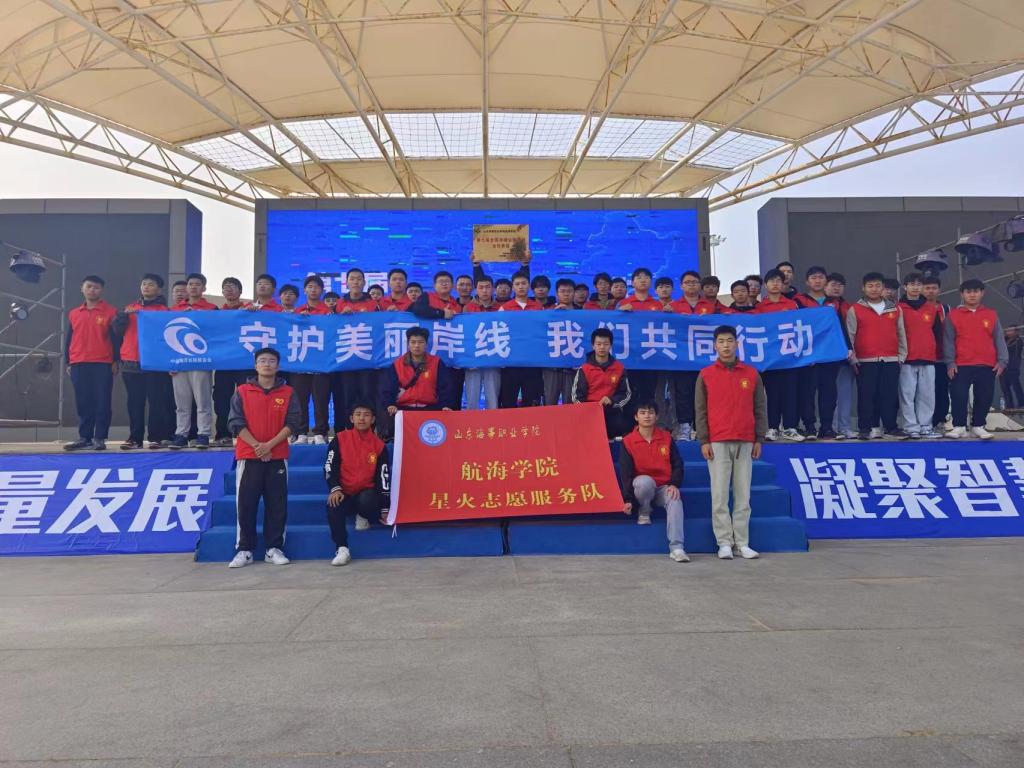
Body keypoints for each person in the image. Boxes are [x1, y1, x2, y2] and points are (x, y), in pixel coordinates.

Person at [695, 325, 767, 560]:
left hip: (745, 440)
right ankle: (724, 542)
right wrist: (704, 440)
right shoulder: (706, 374)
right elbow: (700, 411)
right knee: (719, 495)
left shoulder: (751, 374)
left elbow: (760, 408)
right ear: (715, 345)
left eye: (729, 341)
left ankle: (742, 542)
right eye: (721, 341)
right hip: (717, 440)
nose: (726, 345)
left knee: (743, 495)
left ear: (737, 344)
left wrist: (759, 438)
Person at [227, 347, 300, 568]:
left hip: (277, 456)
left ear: (278, 366)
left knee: (277, 504)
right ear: (255, 365)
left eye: (271, 361)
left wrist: (269, 445)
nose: (267, 364)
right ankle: (245, 549)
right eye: (262, 360)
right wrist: (257, 446)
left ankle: (273, 548)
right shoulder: (242, 391)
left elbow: (293, 423)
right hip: (248, 456)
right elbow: (235, 423)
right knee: (246, 504)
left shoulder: (288, 392)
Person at [619, 401, 688, 563]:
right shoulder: (628, 441)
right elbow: (626, 473)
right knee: (644, 482)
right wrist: (628, 499)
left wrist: (674, 484)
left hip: (663, 487)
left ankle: (677, 548)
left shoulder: (666, 438)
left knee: (675, 499)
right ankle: (644, 511)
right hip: (642, 488)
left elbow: (677, 464)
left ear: (657, 417)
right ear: (636, 417)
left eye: (650, 412)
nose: (647, 416)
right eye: (642, 413)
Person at [323, 401, 391, 565]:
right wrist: (335, 488)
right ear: (351, 418)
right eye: (358, 414)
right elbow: (329, 466)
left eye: (366, 415)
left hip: (366, 495)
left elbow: (383, 478)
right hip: (344, 493)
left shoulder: (379, 446)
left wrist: (385, 508)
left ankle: (363, 514)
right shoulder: (340, 439)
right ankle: (342, 548)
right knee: (333, 504)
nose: (362, 418)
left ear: (373, 419)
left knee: (368, 499)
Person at [113, 273, 171, 450]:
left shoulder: (164, 312)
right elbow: (117, 332)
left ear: (159, 289)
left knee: (156, 402)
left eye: (151, 284)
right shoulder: (130, 308)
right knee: (134, 402)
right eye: (144, 284)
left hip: (155, 363)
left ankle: (155, 437)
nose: (146, 287)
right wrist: (122, 317)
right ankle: (135, 438)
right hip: (131, 361)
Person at [944, 279, 1008, 439]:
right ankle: (959, 426)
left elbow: (999, 338)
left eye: (976, 291)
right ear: (962, 294)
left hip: (987, 364)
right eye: (968, 292)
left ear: (982, 293)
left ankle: (978, 426)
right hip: (961, 364)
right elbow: (948, 341)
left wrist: (1002, 361)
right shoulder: (953, 315)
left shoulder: (991, 314)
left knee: (984, 396)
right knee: (958, 395)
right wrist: (950, 362)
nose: (972, 295)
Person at [847, 271, 906, 440]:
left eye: (877, 286)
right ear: (863, 288)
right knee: (866, 395)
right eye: (870, 286)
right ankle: (865, 428)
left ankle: (891, 427)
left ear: (883, 288)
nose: (874, 289)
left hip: (891, 359)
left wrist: (901, 356)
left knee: (889, 395)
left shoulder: (895, 308)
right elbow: (850, 335)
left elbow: (901, 333)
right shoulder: (855, 309)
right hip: (865, 360)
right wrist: (853, 359)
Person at [63, 275, 118, 451]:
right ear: (82, 288)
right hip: (78, 362)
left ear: (101, 290)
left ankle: (100, 437)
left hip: (102, 363)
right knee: (83, 401)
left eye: (96, 287)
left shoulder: (110, 312)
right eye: (89, 286)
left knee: (102, 401)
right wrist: (68, 362)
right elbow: (69, 338)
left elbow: (116, 339)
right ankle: (85, 437)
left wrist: (116, 360)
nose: (92, 290)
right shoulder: (74, 313)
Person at [169, 272, 217, 450]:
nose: (193, 287)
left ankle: (203, 434)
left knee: (203, 401)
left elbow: (216, 333)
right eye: (190, 284)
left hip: (201, 361)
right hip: (179, 362)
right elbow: (166, 338)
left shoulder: (212, 309)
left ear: (204, 288)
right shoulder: (173, 310)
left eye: (197, 284)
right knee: (181, 403)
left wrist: (199, 316)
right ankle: (181, 434)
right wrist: (170, 363)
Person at [755, 269, 803, 441]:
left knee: (790, 393)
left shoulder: (792, 305)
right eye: (771, 281)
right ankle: (773, 427)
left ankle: (790, 427)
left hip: (789, 357)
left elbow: (800, 327)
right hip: (770, 359)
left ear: (783, 284)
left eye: (778, 281)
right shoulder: (759, 307)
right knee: (772, 394)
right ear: (765, 285)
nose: (775, 284)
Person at [793, 266, 838, 439]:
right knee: (807, 393)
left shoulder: (834, 302)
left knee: (829, 393)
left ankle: (827, 427)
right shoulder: (799, 301)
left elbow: (840, 327)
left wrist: (846, 349)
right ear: (807, 281)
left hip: (829, 355)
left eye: (821, 277)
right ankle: (810, 426)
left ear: (826, 280)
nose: (817, 281)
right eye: (813, 278)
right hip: (808, 356)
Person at [898, 272, 943, 439]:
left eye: (918, 284)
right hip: (906, 358)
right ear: (905, 287)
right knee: (907, 395)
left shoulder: (931, 308)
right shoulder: (898, 308)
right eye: (912, 284)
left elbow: (938, 333)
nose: (915, 287)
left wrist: (938, 354)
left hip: (928, 357)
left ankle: (925, 426)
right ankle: (910, 427)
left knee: (927, 395)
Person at [381, 327, 454, 429]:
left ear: (426, 344)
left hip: (429, 409)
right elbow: (387, 388)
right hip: (403, 409)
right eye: (413, 342)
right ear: (408, 344)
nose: (416, 345)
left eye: (420, 342)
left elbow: (446, 387)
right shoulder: (397, 364)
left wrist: (445, 405)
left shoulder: (436, 362)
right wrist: (390, 404)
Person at [290, 275, 333, 445]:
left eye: (316, 287)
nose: (313, 290)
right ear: (305, 290)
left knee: (321, 400)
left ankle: (320, 432)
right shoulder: (297, 312)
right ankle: (301, 432)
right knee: (300, 400)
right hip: (301, 363)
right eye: (310, 287)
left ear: (321, 290)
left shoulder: (329, 313)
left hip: (321, 365)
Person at [571, 327, 631, 438]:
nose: (602, 347)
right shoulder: (584, 369)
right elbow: (576, 398)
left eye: (605, 344)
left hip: (612, 412)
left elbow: (626, 394)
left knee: (617, 432)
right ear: (593, 346)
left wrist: (611, 401)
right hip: (589, 414)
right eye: (598, 344)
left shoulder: (619, 368)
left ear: (610, 345)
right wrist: (591, 409)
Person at [213, 277, 251, 447]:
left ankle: (248, 435)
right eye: (225, 287)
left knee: (247, 399)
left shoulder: (249, 311)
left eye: (233, 286)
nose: (228, 289)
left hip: (245, 362)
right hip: (224, 362)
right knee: (221, 399)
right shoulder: (216, 314)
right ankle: (223, 434)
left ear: (240, 291)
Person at [498, 271, 544, 408]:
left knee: (531, 401)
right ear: (513, 287)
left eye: (524, 283)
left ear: (529, 286)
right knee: (508, 400)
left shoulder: (538, 307)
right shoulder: (505, 308)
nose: (521, 287)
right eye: (517, 284)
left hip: (532, 362)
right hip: (511, 362)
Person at [462, 274, 501, 409]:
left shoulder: (500, 308)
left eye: (487, 287)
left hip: (493, 358)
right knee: (472, 399)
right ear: (475, 289)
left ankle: (492, 422)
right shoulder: (467, 308)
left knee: (493, 399)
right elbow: (465, 334)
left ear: (493, 289)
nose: (484, 290)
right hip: (473, 359)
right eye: (481, 287)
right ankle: (471, 422)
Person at [827, 273, 857, 439]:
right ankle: (830, 427)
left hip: (846, 357)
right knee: (829, 395)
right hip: (827, 358)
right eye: (833, 284)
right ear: (825, 286)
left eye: (840, 285)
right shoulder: (820, 306)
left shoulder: (848, 307)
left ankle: (844, 427)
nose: (836, 288)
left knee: (845, 394)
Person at [543, 278, 578, 406]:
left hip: (573, 367)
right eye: (562, 291)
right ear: (557, 294)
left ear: (574, 293)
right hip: (552, 367)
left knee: (570, 403)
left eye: (569, 291)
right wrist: (554, 314)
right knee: (550, 403)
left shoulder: (583, 314)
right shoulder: (547, 313)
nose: (566, 294)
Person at [923, 276, 950, 431]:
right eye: (927, 288)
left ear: (939, 290)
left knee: (942, 389)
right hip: (924, 357)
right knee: (925, 392)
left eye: (934, 288)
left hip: (942, 357)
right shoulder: (917, 308)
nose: (930, 291)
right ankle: (926, 422)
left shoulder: (946, 308)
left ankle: (940, 419)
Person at [1002, 326, 1023, 408]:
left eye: (1011, 330)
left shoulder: (1018, 341)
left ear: (1015, 332)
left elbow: (1014, 351)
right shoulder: (1004, 340)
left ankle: (1021, 403)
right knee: (1005, 387)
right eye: (1007, 330)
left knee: (1016, 386)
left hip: (1013, 367)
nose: (1008, 332)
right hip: (1004, 367)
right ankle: (1009, 405)